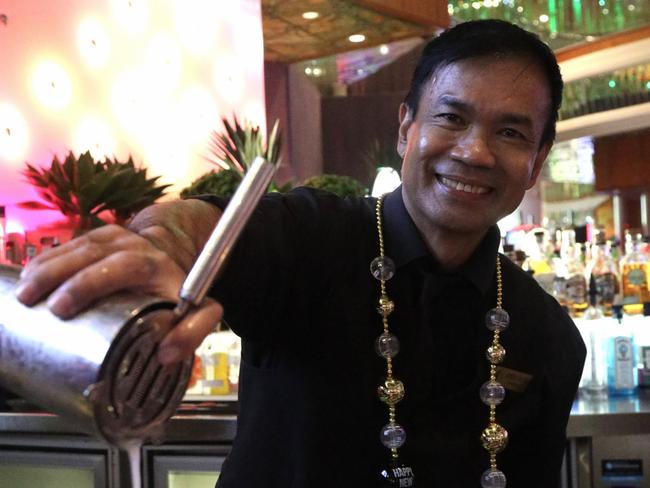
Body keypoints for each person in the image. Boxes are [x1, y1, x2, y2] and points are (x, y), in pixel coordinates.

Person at [16, 19, 585, 488]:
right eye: (451, 117)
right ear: (407, 129)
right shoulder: (314, 239)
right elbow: (204, 224)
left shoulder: (549, 338)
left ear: (536, 162)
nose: (474, 151)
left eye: (510, 134)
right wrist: (164, 246)